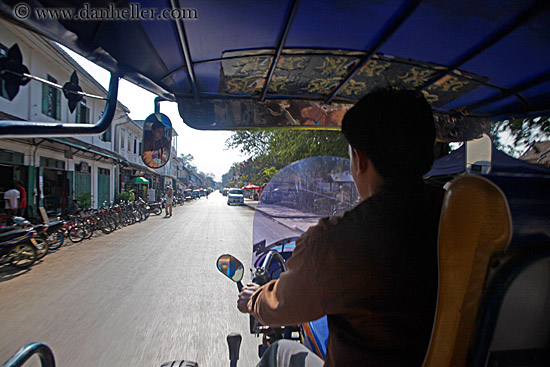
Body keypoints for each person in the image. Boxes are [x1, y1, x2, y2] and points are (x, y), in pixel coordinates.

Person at [237, 88, 445, 366]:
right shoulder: (461, 217)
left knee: (280, 352)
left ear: (360, 160)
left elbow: (283, 305)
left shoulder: (336, 242)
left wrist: (254, 300)